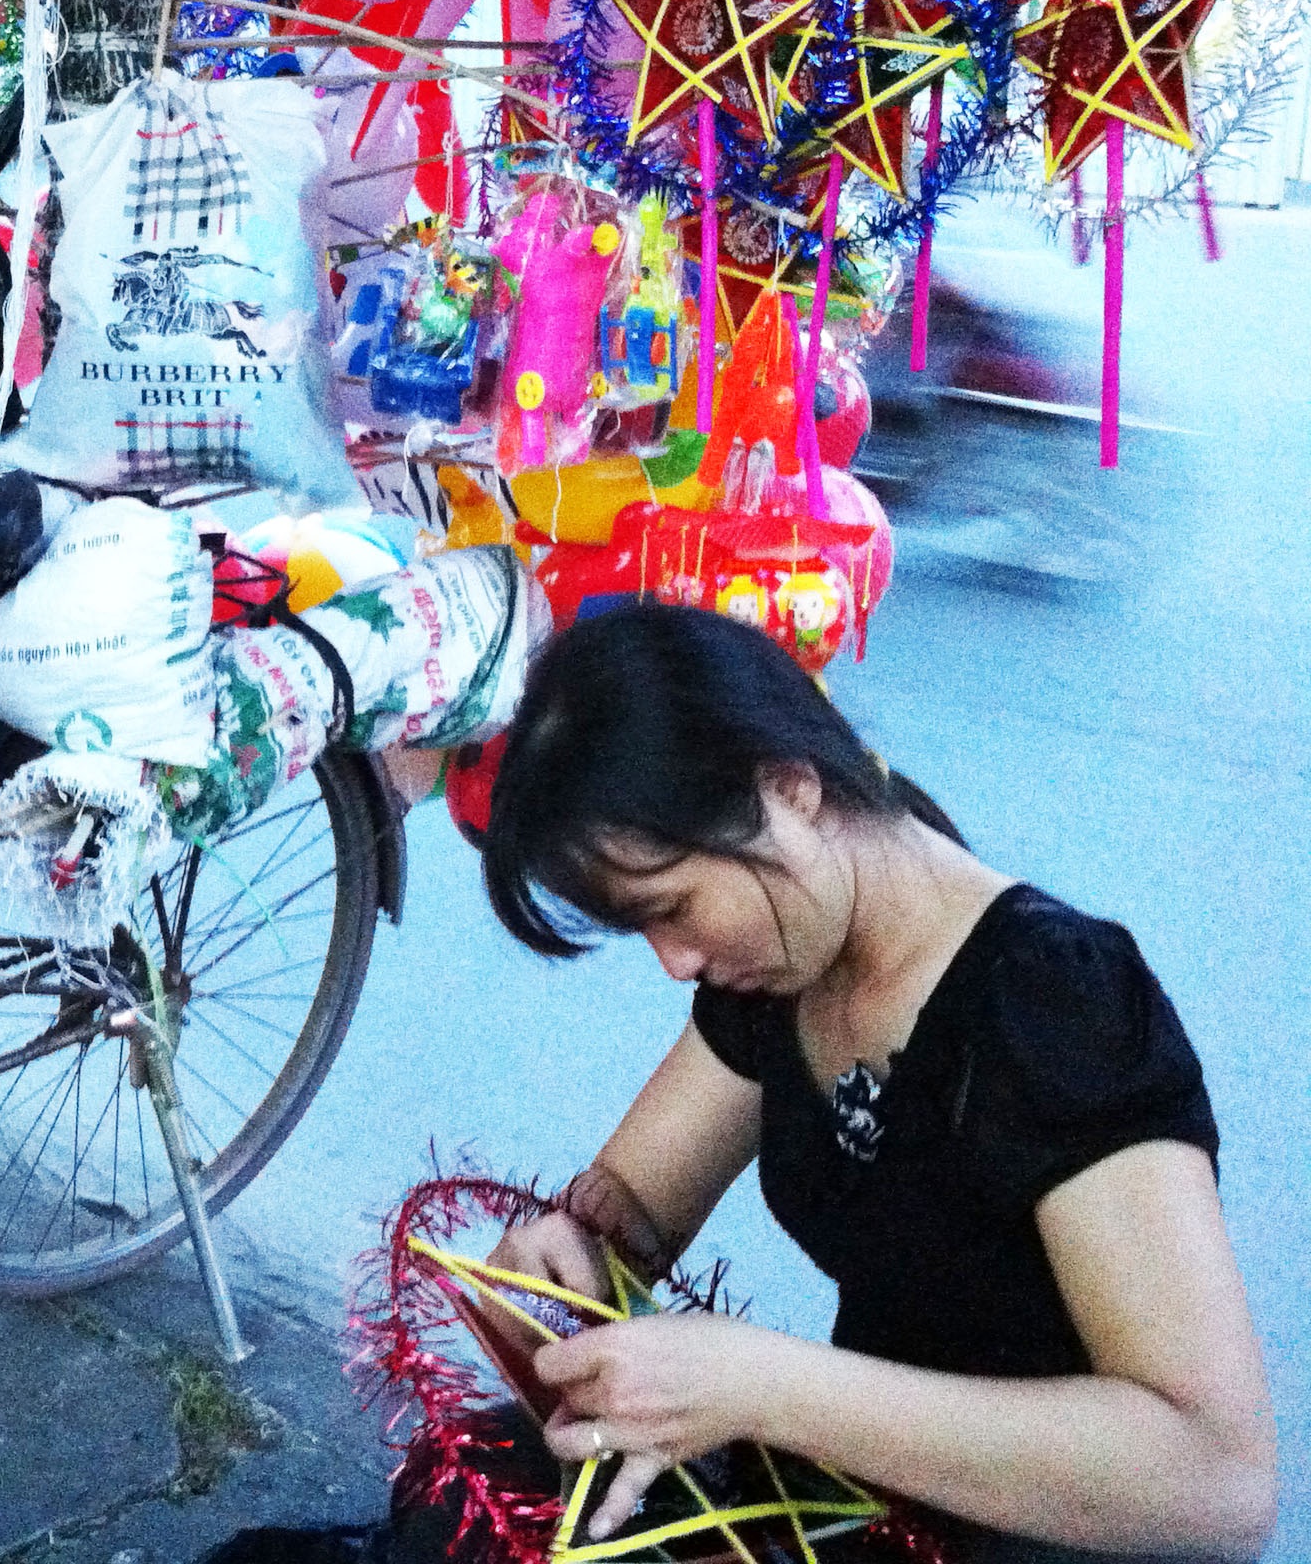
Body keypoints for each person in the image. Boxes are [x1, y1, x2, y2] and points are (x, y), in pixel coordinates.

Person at [475, 604, 1275, 1562]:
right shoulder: (791, 964)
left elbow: (1217, 1476)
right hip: (863, 1506)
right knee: (484, 1493)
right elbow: (636, 1206)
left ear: (790, 789)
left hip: (1048, 1537)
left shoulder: (1052, 1001)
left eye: (672, 908)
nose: (673, 962)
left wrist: (769, 1385)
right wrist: (569, 1255)